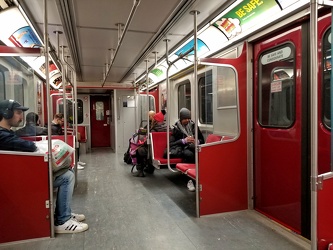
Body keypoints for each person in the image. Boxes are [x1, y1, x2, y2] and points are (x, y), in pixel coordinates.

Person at [0, 99, 88, 233]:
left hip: (21, 174)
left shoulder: (9, 132)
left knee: (67, 172)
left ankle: (64, 214)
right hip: (16, 181)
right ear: (6, 114)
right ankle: (62, 220)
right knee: (67, 176)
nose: (21, 116)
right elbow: (29, 146)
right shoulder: (2, 135)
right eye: (18, 112)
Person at [169, 108, 204, 191]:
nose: (187, 120)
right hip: (182, 148)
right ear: (181, 119)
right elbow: (171, 144)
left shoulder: (194, 127)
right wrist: (184, 141)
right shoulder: (176, 129)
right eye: (185, 119)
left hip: (194, 146)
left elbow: (202, 140)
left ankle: (200, 177)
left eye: (188, 118)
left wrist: (197, 141)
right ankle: (190, 180)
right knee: (189, 155)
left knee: (199, 153)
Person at [133, 110, 168, 177]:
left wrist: (141, 144)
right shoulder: (168, 128)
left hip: (153, 151)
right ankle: (150, 168)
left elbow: (147, 142)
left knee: (139, 150)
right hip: (164, 151)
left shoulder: (153, 130)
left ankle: (140, 171)